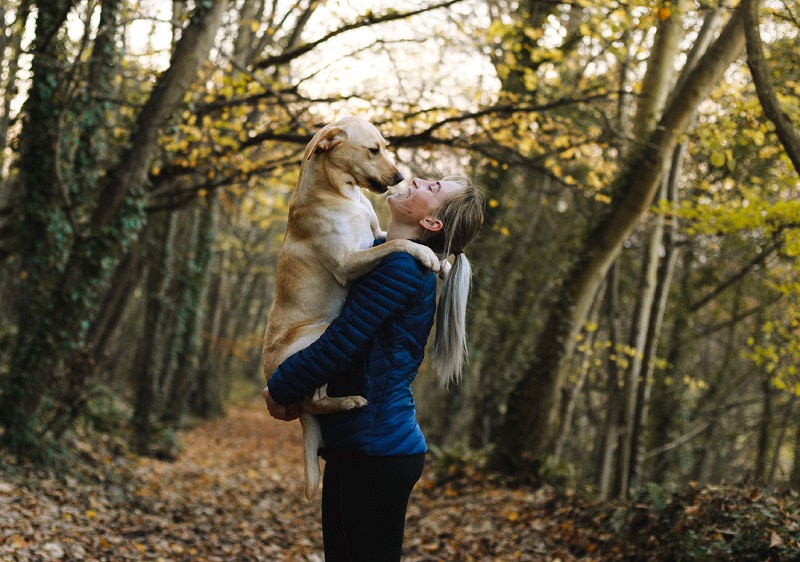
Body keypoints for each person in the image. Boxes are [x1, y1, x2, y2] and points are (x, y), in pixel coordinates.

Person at [264, 176, 484, 561]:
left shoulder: (402, 267)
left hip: (379, 451)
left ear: (432, 223)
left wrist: (280, 389)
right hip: (358, 448)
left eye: (432, 187)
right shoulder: (382, 255)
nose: (417, 179)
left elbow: (342, 342)